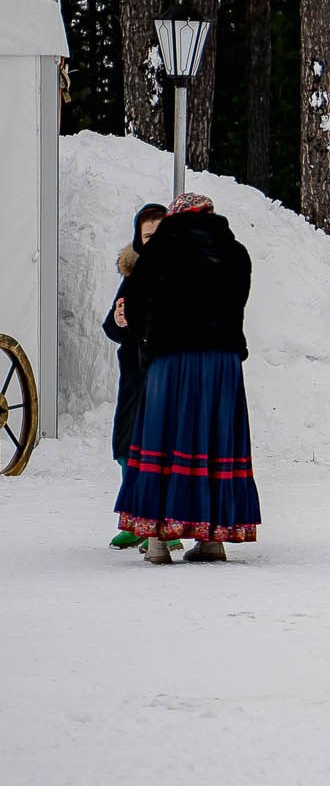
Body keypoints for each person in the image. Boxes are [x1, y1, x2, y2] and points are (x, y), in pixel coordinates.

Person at [112, 192, 262, 564]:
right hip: (222, 363)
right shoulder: (235, 252)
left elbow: (138, 303)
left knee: (164, 439)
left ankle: (160, 541)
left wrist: (147, 341)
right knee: (214, 440)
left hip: (172, 361)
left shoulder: (162, 248)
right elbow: (238, 301)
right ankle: (212, 540)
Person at [102, 202, 174, 551]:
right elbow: (111, 327)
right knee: (125, 446)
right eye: (148, 235)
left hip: (165, 373)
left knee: (158, 450)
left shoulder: (179, 272)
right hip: (134, 374)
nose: (153, 241)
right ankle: (135, 520)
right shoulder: (133, 275)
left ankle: (161, 527)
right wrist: (119, 322)